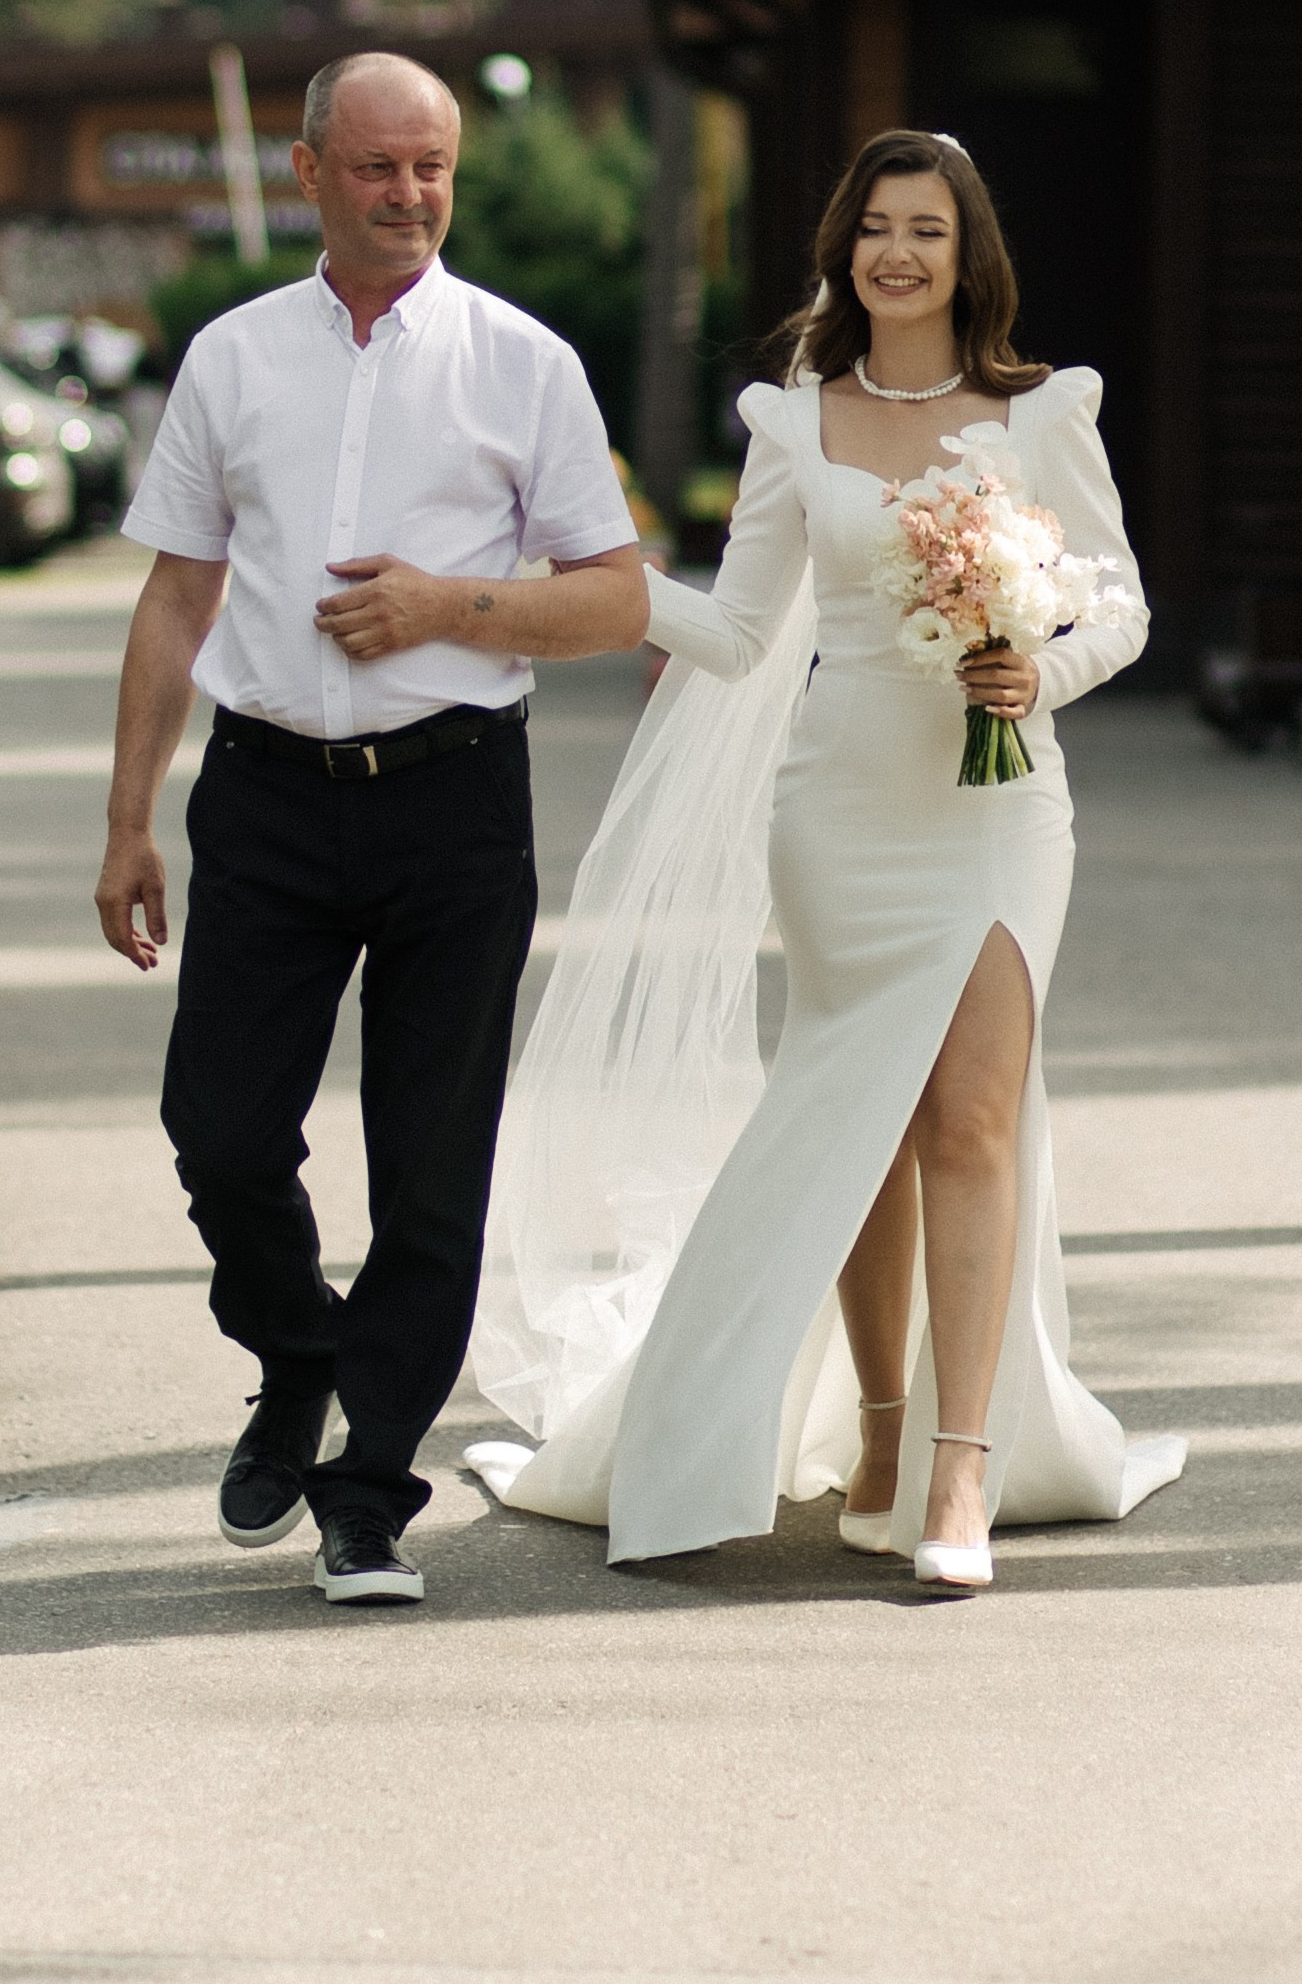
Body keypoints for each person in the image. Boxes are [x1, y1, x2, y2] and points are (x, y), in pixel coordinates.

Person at [470, 128, 1185, 1588]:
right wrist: (615, 595)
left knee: (971, 1123)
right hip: (839, 805)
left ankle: (960, 1473)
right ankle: (874, 1428)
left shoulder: (1041, 412)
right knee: (862, 1122)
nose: (896, 253)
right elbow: (738, 633)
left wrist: (1035, 672)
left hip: (998, 808)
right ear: (841, 249)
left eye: (925, 228)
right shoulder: (795, 421)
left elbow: (1115, 606)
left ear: (965, 251)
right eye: (873, 227)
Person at [96, 51, 645, 1608]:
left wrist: (448, 608)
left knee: (429, 1165)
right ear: (310, 172)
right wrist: (129, 817)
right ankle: (297, 1352)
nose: (410, 196)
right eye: (380, 167)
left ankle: (368, 1488)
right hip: (265, 795)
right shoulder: (232, 358)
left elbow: (613, 592)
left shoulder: (520, 361)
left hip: (456, 796)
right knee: (218, 1131)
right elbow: (176, 592)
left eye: (435, 169)